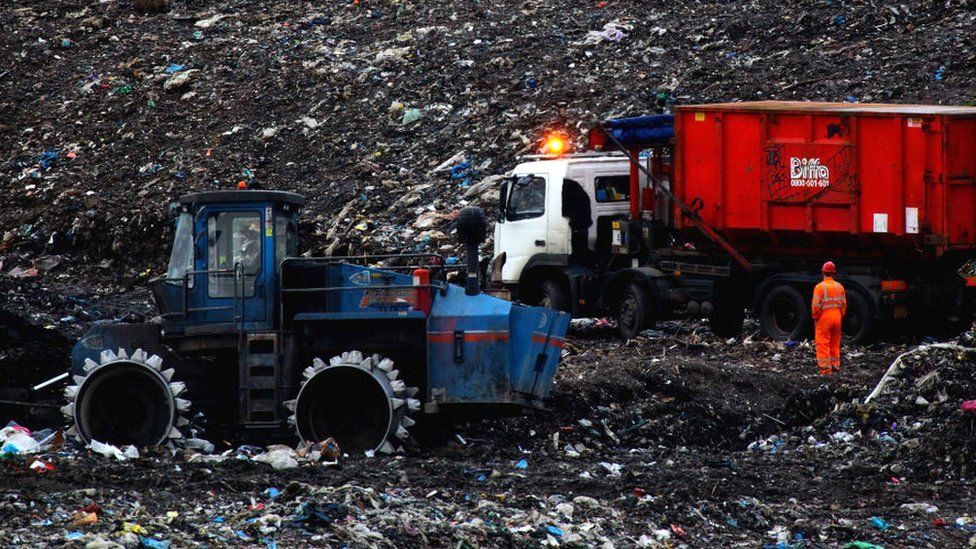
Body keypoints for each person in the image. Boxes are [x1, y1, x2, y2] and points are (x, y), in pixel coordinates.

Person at [811, 261, 846, 375]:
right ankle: (835, 366)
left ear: (823, 273)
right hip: (837, 317)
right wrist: (840, 315)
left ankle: (825, 370)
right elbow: (843, 304)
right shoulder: (839, 286)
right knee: (835, 343)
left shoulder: (819, 287)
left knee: (822, 343)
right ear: (833, 274)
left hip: (824, 318)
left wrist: (816, 318)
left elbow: (816, 306)